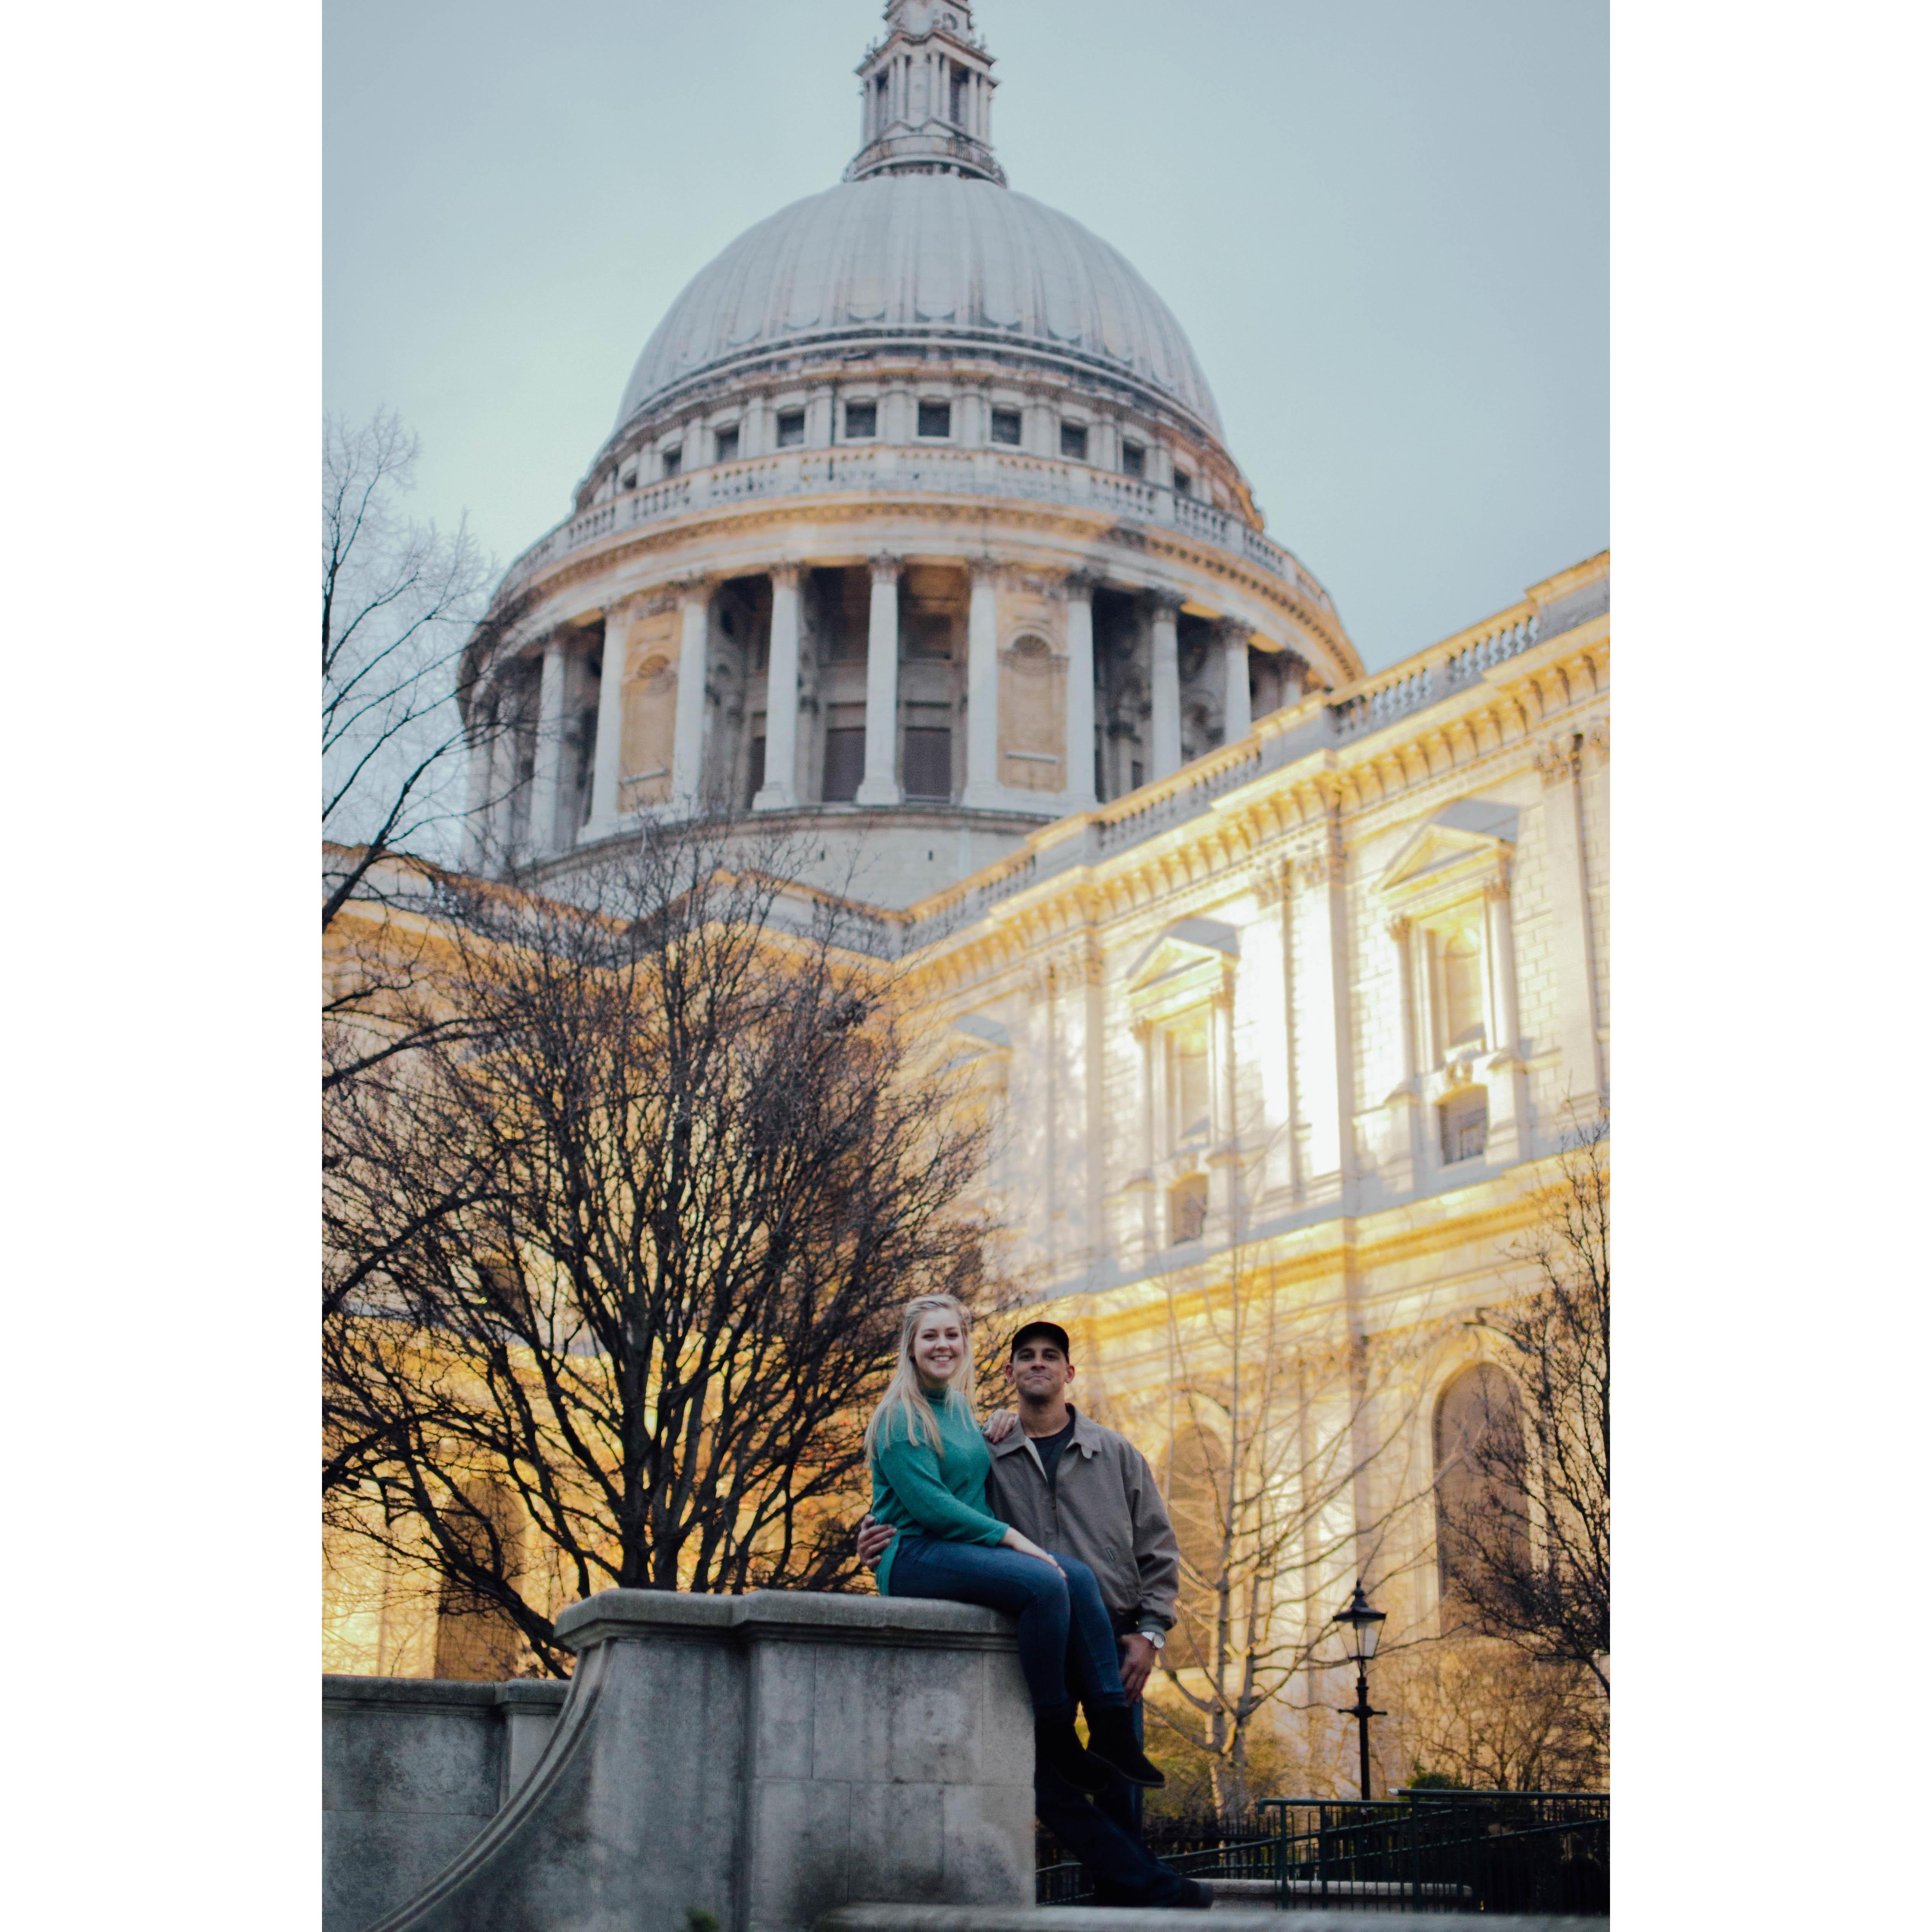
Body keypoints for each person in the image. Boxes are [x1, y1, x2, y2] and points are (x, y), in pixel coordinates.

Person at [859, 1318, 1210, 1912]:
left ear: (1070, 1373)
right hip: (1034, 1637)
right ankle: (1139, 1882)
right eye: (1027, 1356)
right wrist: (868, 1532)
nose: (1039, 1364)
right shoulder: (987, 1447)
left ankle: (1130, 1894)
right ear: (1010, 1371)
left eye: (1052, 1356)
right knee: (1048, 1780)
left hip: (1109, 1639)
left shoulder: (1116, 1453)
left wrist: (1150, 1633)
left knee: (1119, 1778)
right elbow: (933, 1501)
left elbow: (1159, 1551)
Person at [863, 1294, 1167, 1798]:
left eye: (952, 1335)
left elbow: (961, 1478)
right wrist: (1012, 1539)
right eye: (930, 1336)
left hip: (957, 1552)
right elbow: (932, 1506)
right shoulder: (899, 1416)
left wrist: (995, 1425)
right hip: (915, 1554)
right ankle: (1056, 1733)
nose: (943, 1345)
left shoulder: (962, 1411)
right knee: (1046, 1581)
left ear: (965, 1343)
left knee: (1078, 1575)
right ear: (911, 1348)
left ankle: (1111, 1725)